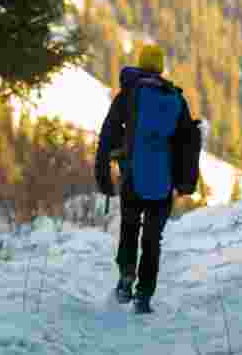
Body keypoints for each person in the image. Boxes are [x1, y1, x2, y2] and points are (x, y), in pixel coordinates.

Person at [95, 43, 198, 314]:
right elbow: (188, 143)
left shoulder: (129, 94)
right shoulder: (176, 99)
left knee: (130, 227)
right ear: (161, 68)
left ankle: (126, 277)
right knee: (153, 239)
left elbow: (108, 133)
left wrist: (103, 174)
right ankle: (144, 296)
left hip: (133, 176)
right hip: (163, 179)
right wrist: (186, 182)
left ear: (140, 64)